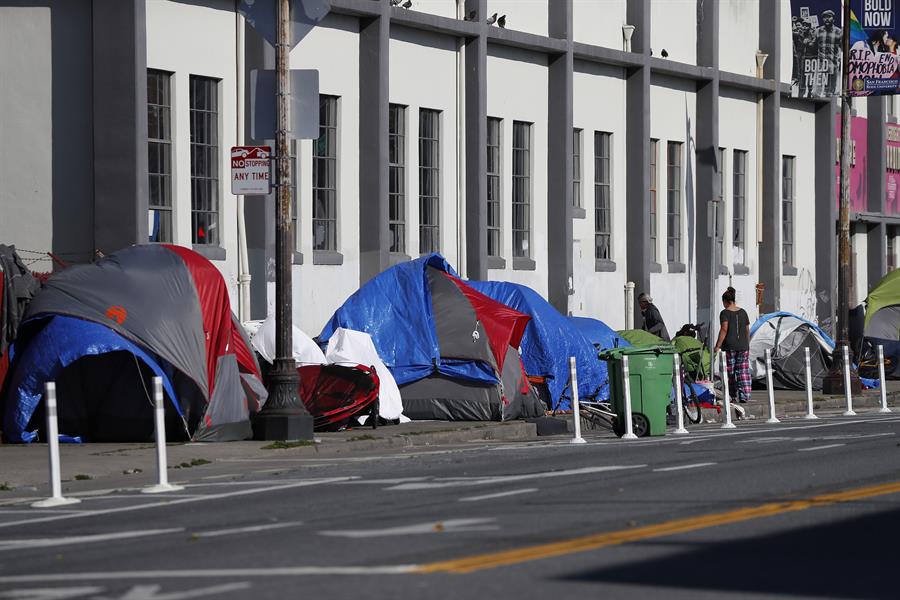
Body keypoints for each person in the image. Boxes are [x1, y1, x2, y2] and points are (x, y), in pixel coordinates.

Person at [713, 287, 751, 404]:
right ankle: (744, 395)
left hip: (730, 346)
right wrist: (747, 343)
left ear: (725, 301)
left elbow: (724, 329)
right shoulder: (743, 312)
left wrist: (717, 346)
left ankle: (732, 395)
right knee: (743, 371)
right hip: (743, 346)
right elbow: (747, 329)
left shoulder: (724, 313)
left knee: (730, 371)